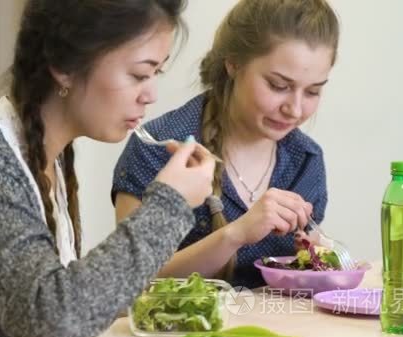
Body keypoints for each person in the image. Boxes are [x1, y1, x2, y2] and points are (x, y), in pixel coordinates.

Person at [0, 1, 216, 337]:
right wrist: (169, 203)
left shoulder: (49, 155)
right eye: (139, 74)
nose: (150, 94)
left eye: (157, 73)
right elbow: (52, 323)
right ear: (63, 63)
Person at [113, 0, 340, 289]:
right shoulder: (159, 147)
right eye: (278, 86)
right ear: (233, 63)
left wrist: (314, 258)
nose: (295, 110)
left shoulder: (306, 160)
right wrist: (237, 234)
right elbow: (126, 283)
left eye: (313, 91)